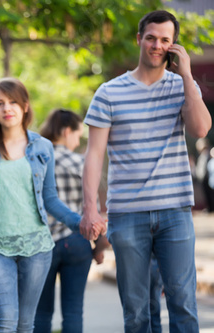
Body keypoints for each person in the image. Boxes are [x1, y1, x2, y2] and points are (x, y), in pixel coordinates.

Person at [81, 10, 211, 332]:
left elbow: (200, 127)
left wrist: (187, 75)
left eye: (165, 40)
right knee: (137, 310)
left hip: (174, 212)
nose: (157, 45)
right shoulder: (109, 93)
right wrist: (91, 209)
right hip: (127, 213)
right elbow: (94, 155)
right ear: (140, 39)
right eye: (151, 38)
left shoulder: (181, 87)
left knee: (183, 302)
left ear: (173, 45)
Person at [0, 78, 88, 333]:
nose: (6, 108)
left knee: (25, 324)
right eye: (0, 103)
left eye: (12, 102)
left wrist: (79, 222)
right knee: (5, 319)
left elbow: (50, 199)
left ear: (25, 106)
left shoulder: (42, 147)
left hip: (37, 246)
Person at [34, 109, 109, 333]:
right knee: (74, 311)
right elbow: (92, 209)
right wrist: (100, 245)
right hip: (77, 241)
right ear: (67, 132)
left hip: (42, 244)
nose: (78, 141)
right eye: (77, 135)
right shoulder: (82, 163)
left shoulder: (37, 161)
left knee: (41, 312)